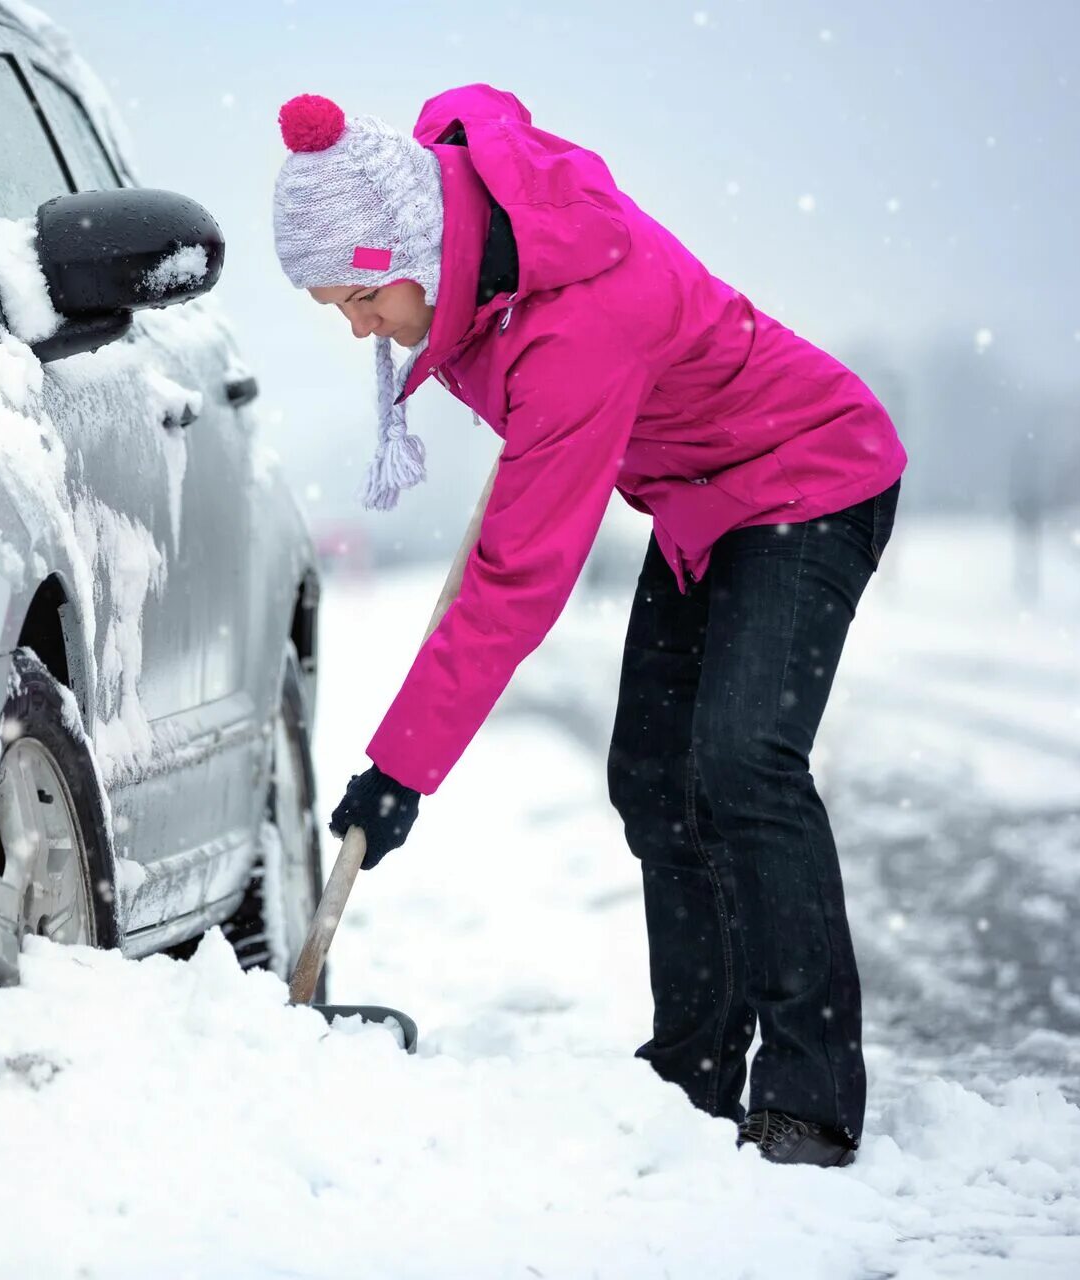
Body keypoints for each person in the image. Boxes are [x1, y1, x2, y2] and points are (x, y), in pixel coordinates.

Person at [270, 87, 906, 1167]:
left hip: (811, 476)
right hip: (702, 502)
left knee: (743, 756)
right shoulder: (461, 228)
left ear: (411, 254)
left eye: (359, 299)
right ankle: (697, 1069)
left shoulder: (575, 329)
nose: (357, 328)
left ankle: (808, 1089)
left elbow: (518, 577)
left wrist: (402, 771)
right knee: (655, 776)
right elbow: (474, 111)